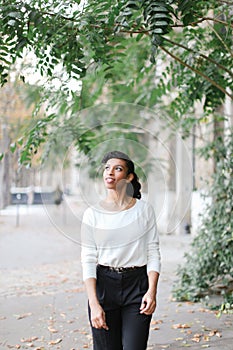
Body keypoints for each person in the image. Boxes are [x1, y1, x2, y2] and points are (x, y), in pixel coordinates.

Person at [81, 150, 161, 350]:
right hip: (104, 286)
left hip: (137, 286)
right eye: (107, 168)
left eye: (118, 169)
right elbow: (88, 260)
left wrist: (152, 291)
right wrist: (93, 304)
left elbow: (153, 252)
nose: (110, 172)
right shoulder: (92, 214)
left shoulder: (144, 211)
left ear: (129, 176)